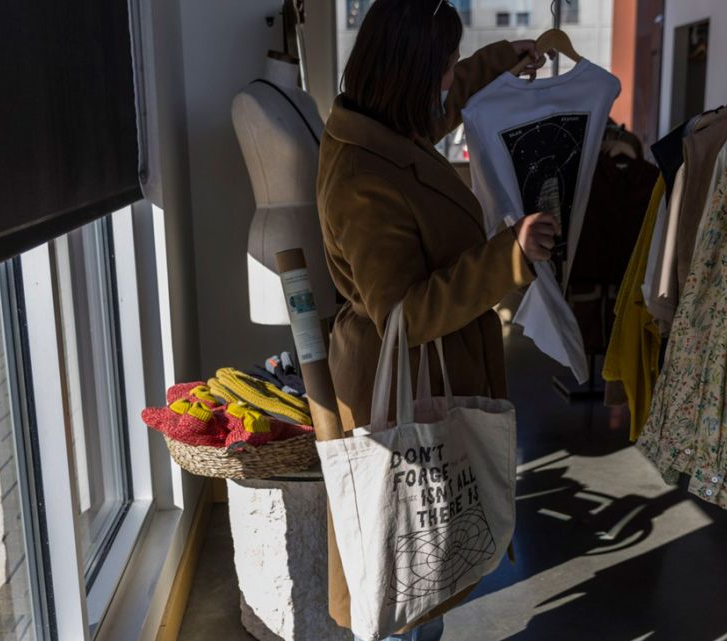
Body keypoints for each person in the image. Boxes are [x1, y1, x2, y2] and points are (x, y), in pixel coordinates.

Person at [316, 0, 558, 639]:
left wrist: (507, 60)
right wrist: (508, 256)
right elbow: (404, 312)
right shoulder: (360, 176)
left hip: (423, 372)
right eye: (446, 66)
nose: (451, 80)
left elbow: (443, 108)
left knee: (430, 555)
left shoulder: (385, 126)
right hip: (396, 382)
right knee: (406, 560)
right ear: (411, 73)